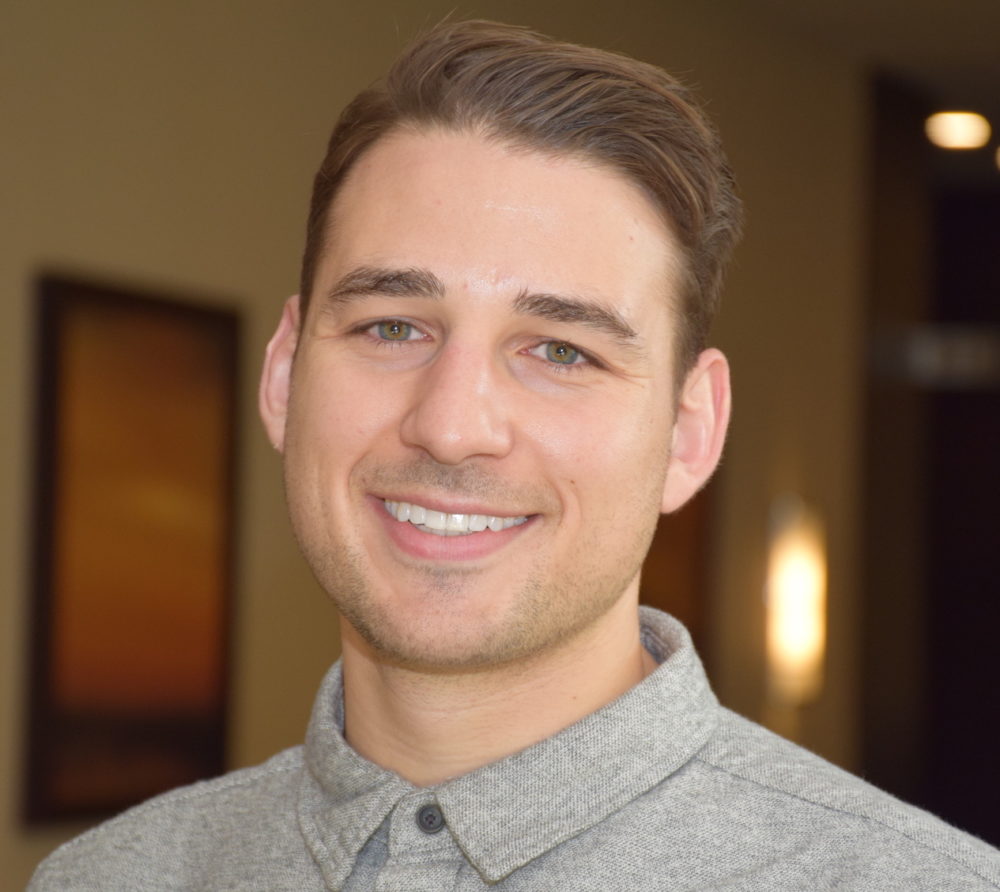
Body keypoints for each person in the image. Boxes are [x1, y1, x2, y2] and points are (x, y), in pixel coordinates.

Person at [30, 19, 1000, 892]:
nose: (451, 425)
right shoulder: (110, 876)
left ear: (690, 431)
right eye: (391, 326)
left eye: (560, 350)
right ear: (284, 375)